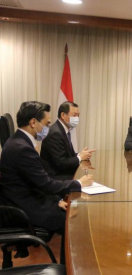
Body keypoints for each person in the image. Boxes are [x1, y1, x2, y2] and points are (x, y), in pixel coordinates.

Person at [0, 101, 93, 263]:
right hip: (21, 208)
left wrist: (56, 200)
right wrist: (78, 184)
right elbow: (46, 184)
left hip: (23, 198)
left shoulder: (18, 141)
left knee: (70, 211)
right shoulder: (22, 148)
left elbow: (37, 180)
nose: (48, 128)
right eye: (47, 124)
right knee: (73, 222)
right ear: (33, 122)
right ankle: (69, 269)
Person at [40, 101, 96, 180]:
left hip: (62, 174)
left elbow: (67, 154)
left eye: (78, 115)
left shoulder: (63, 129)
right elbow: (61, 163)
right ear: (63, 115)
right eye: (74, 115)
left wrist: (81, 155)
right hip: (55, 179)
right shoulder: (55, 133)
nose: (77, 118)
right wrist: (80, 157)